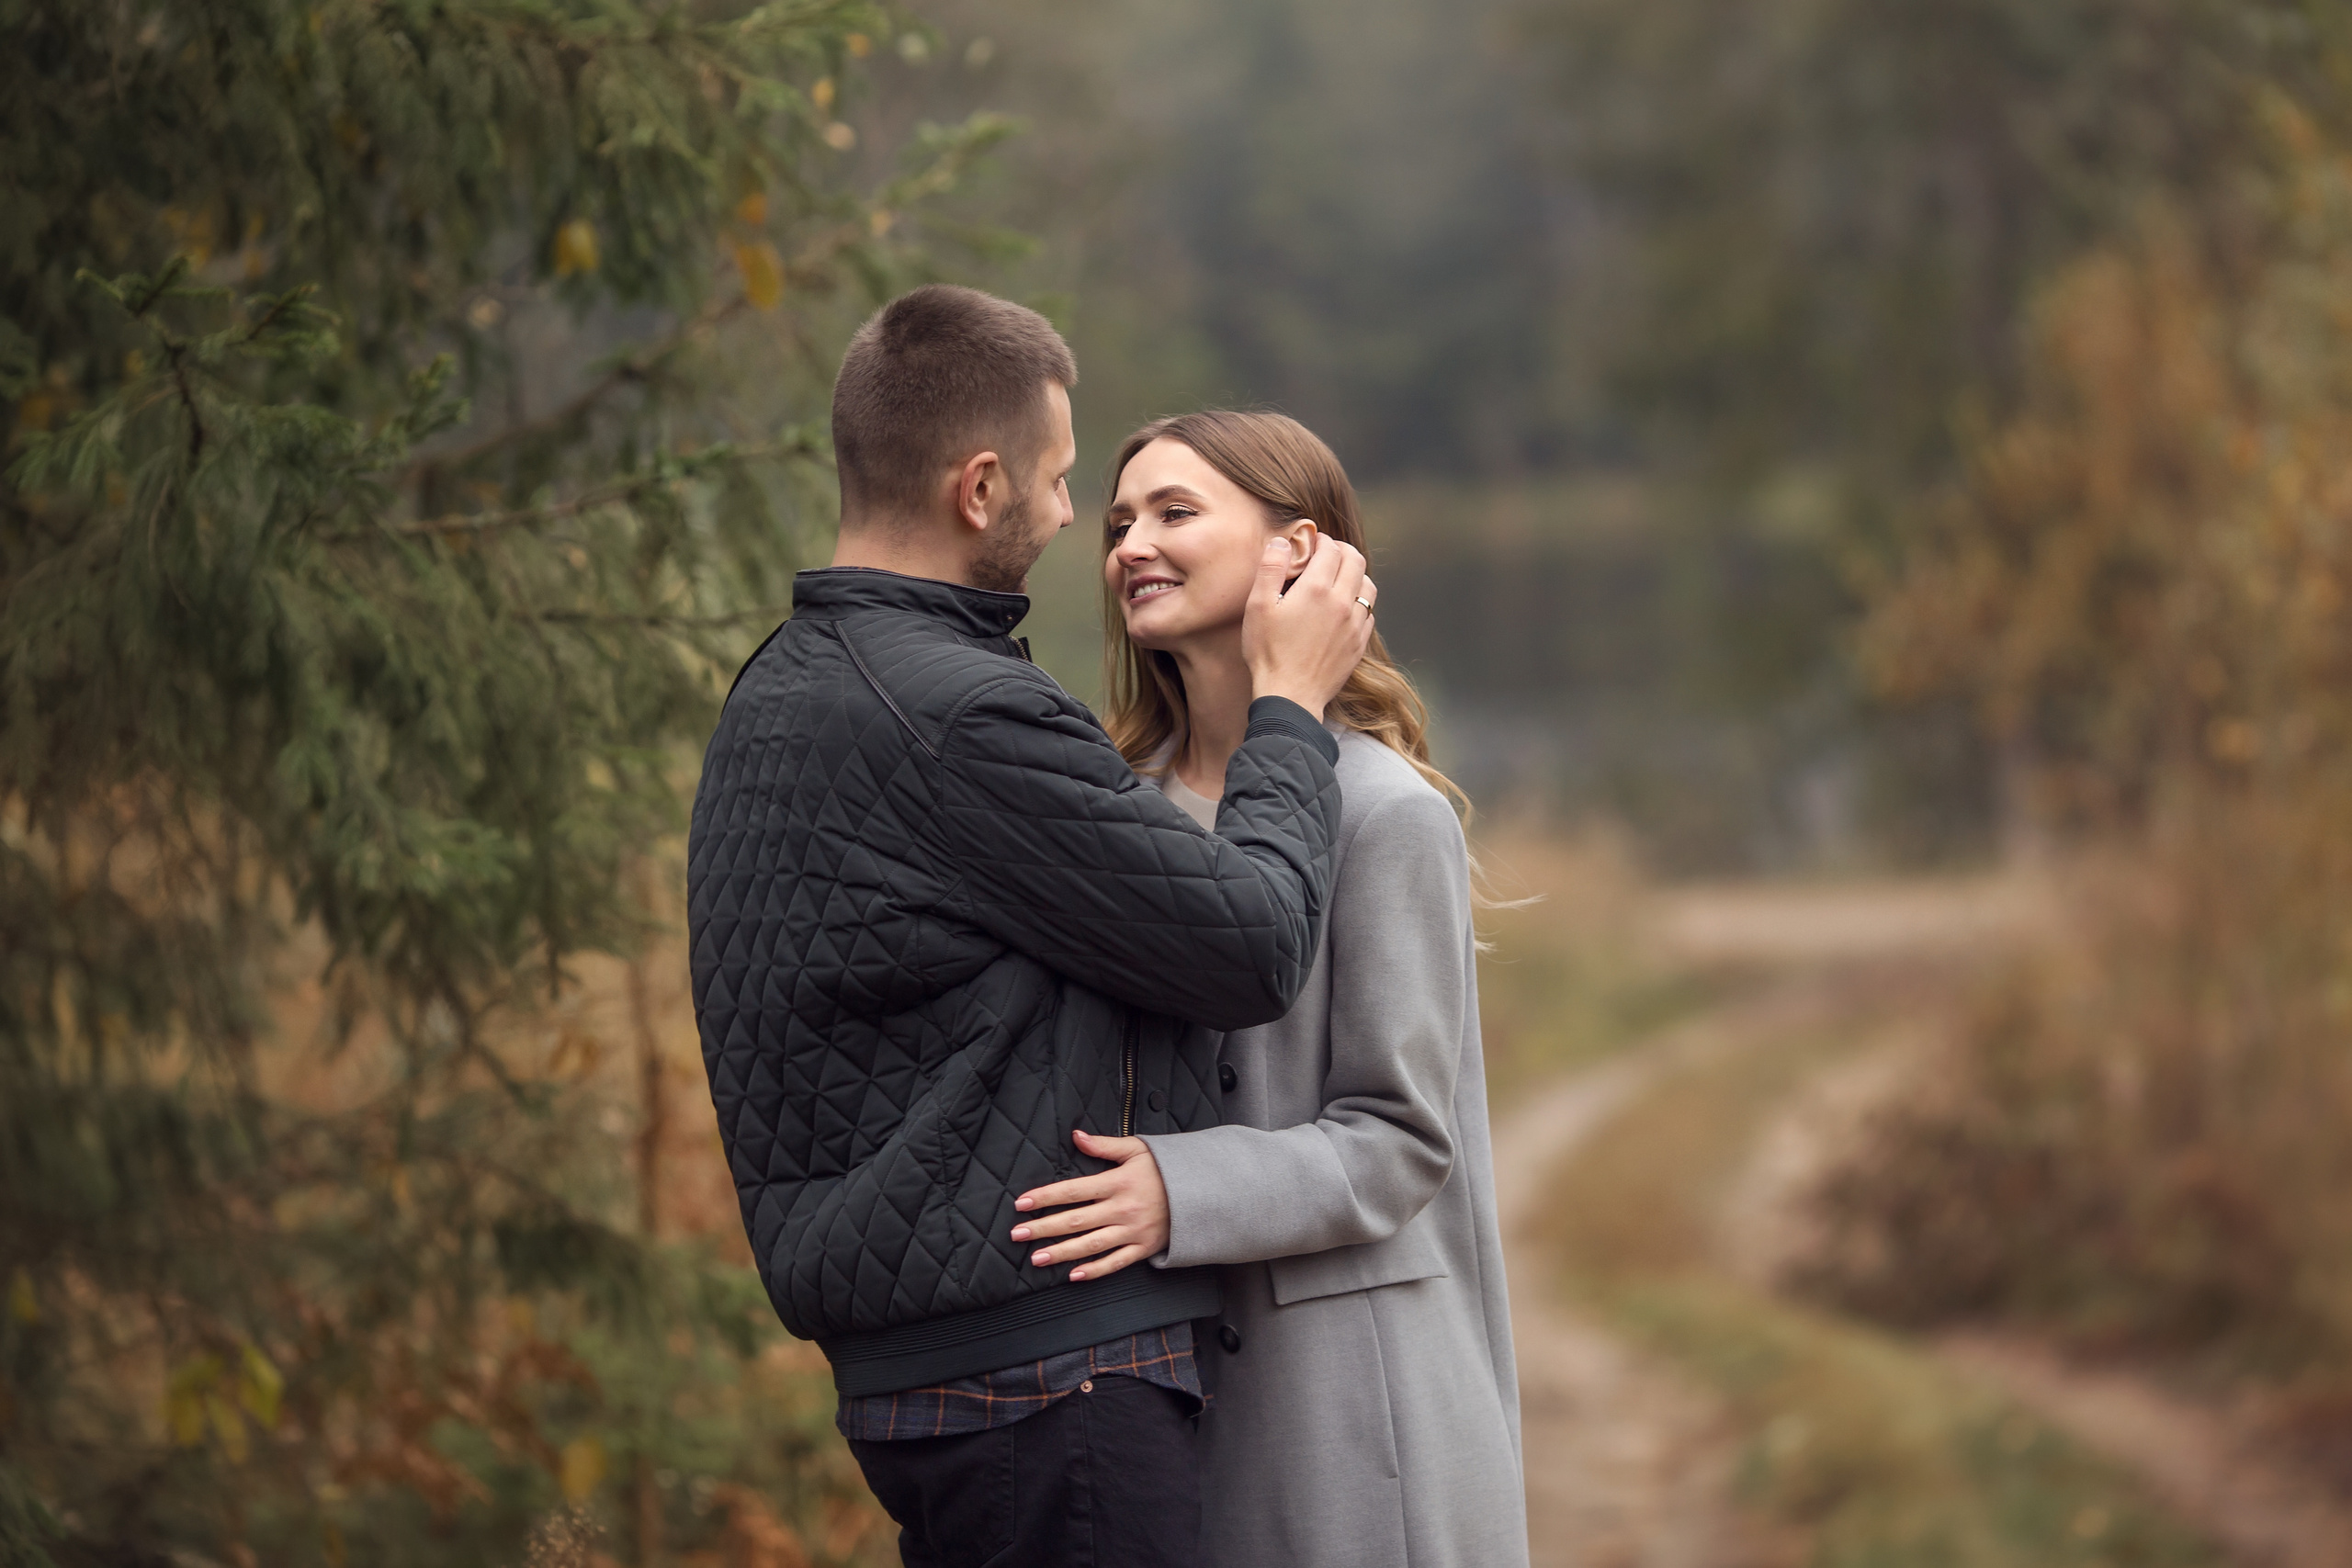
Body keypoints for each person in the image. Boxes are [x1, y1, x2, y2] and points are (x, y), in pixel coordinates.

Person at [685, 289, 1376, 1568]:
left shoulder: (782, 683)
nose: (1071, 519)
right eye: (1063, 483)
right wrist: (1287, 708)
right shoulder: (953, 711)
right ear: (980, 487)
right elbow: (1250, 946)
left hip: (936, 1376)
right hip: (1045, 1385)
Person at [1008, 410, 1528, 1568]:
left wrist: (1179, 1191)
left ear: (1298, 551)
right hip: (1150, 1398)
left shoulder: (1387, 815)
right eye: (1118, 522)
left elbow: (1401, 1140)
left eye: (1175, 512)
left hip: (1350, 1414)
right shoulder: (1109, 808)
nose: (1131, 544)